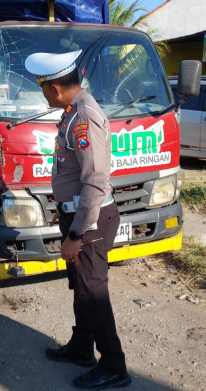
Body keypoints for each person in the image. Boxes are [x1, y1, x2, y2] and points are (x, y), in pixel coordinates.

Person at [24, 50, 131, 390]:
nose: (43, 93)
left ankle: (113, 365)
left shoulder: (83, 117)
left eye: (42, 87)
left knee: (93, 292)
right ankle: (82, 346)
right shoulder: (73, 111)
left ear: (55, 88)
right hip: (78, 214)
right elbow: (74, 172)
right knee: (82, 286)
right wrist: (66, 207)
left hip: (92, 223)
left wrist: (76, 233)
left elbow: (96, 180)